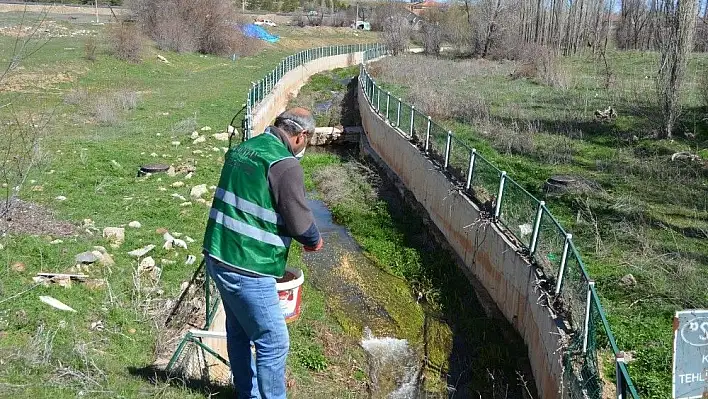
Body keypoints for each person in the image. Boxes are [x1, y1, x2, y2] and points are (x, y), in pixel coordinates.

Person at [202, 108, 323, 399]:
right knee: (274, 341)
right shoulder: (285, 164)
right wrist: (314, 239)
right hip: (248, 265)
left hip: (218, 252)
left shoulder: (245, 148)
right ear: (300, 136)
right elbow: (299, 220)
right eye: (308, 140)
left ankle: (248, 393)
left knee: (240, 331)